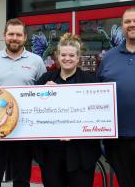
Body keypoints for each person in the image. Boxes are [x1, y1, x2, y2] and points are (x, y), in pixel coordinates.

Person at [0, 18, 46, 187]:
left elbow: (42, 94)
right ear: (4, 36)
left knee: (22, 177)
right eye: (11, 34)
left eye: (18, 34)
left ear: (25, 37)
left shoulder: (36, 61)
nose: (14, 38)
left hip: (24, 128)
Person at [36, 33, 101, 187]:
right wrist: (41, 93)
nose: (67, 58)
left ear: (78, 58)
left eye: (72, 55)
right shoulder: (46, 79)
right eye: (63, 55)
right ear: (58, 56)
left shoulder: (90, 81)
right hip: (51, 153)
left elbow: (96, 114)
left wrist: (76, 130)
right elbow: (34, 110)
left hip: (81, 153)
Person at [97, 7, 135, 187]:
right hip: (118, 140)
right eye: (127, 21)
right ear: (122, 26)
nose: (132, 24)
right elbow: (96, 93)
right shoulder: (109, 57)